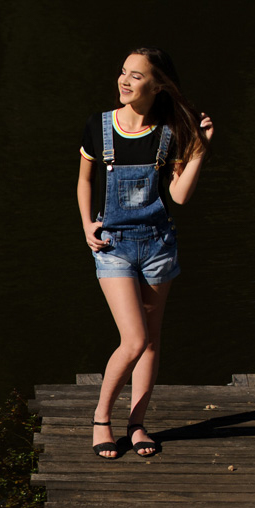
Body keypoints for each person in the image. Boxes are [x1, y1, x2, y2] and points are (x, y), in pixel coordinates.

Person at [76, 47, 214, 458]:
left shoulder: (171, 132)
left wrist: (200, 150)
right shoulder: (100, 126)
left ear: (157, 86)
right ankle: (102, 418)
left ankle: (137, 424)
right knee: (134, 339)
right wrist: (86, 223)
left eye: (136, 76)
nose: (124, 80)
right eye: (123, 72)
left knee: (151, 341)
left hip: (158, 245)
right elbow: (84, 181)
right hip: (112, 245)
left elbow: (179, 196)